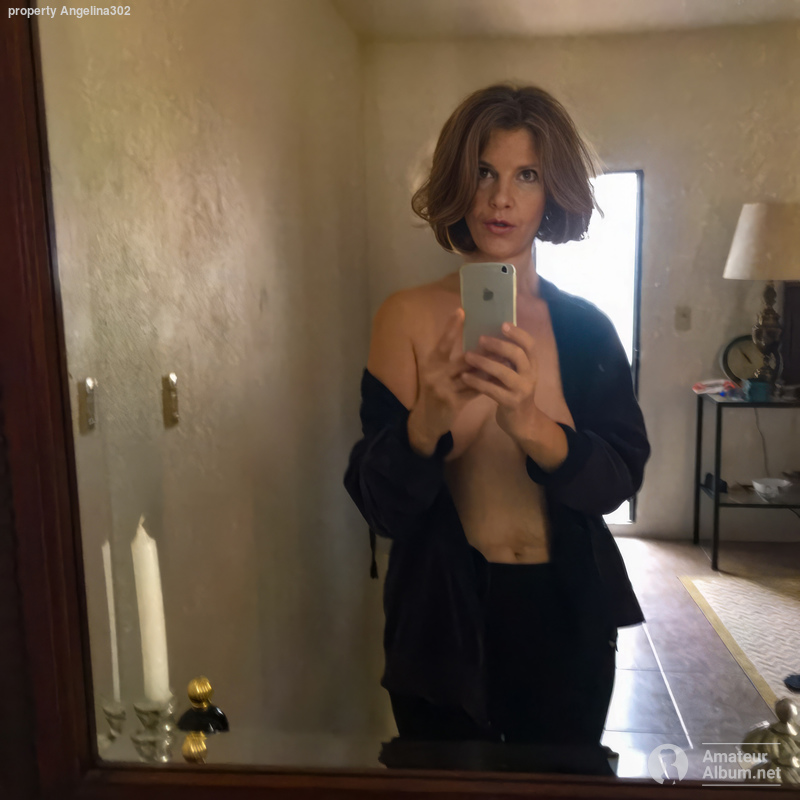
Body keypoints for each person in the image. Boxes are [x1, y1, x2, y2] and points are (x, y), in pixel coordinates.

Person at [344, 84, 650, 748]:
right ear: (457, 181)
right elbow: (381, 508)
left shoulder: (587, 330)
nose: (501, 198)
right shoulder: (406, 317)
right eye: (483, 172)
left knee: (563, 785)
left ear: (552, 191)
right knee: (443, 787)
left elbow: (618, 479)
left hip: (566, 612)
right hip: (441, 621)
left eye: (527, 175)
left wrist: (530, 422)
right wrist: (427, 422)